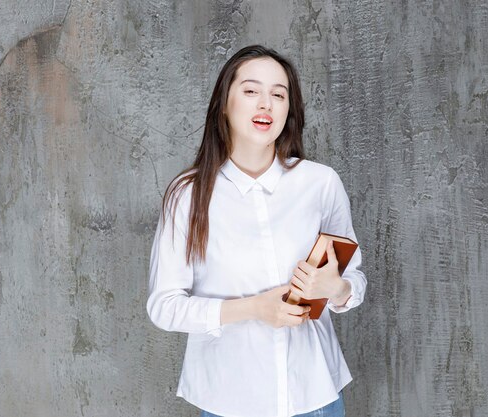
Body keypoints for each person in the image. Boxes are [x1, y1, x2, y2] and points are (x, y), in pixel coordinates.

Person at [147, 45, 366, 417]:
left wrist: (336, 288)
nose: (266, 103)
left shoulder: (320, 183)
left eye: (278, 95)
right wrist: (252, 309)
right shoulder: (188, 194)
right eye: (251, 91)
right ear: (224, 103)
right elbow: (164, 307)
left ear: (288, 111)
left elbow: (354, 280)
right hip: (229, 401)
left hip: (315, 396)